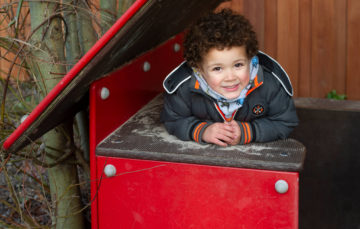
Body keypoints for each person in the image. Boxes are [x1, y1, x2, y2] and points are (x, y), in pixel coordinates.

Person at [161, 9, 298, 147]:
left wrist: (249, 131)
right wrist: (202, 131)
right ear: (199, 69)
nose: (230, 77)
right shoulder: (185, 88)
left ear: (250, 58)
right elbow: (173, 119)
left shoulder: (269, 84)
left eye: (238, 65)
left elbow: (285, 121)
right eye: (217, 68)